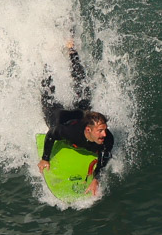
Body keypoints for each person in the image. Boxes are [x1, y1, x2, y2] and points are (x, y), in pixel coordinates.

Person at [38, 39, 114, 196]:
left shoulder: (107, 138)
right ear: (88, 130)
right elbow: (52, 133)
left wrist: (95, 179)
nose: (104, 134)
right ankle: (47, 62)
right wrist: (45, 158)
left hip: (81, 115)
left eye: (104, 130)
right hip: (61, 118)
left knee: (83, 89)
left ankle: (72, 52)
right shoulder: (71, 132)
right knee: (48, 96)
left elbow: (103, 158)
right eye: (100, 131)